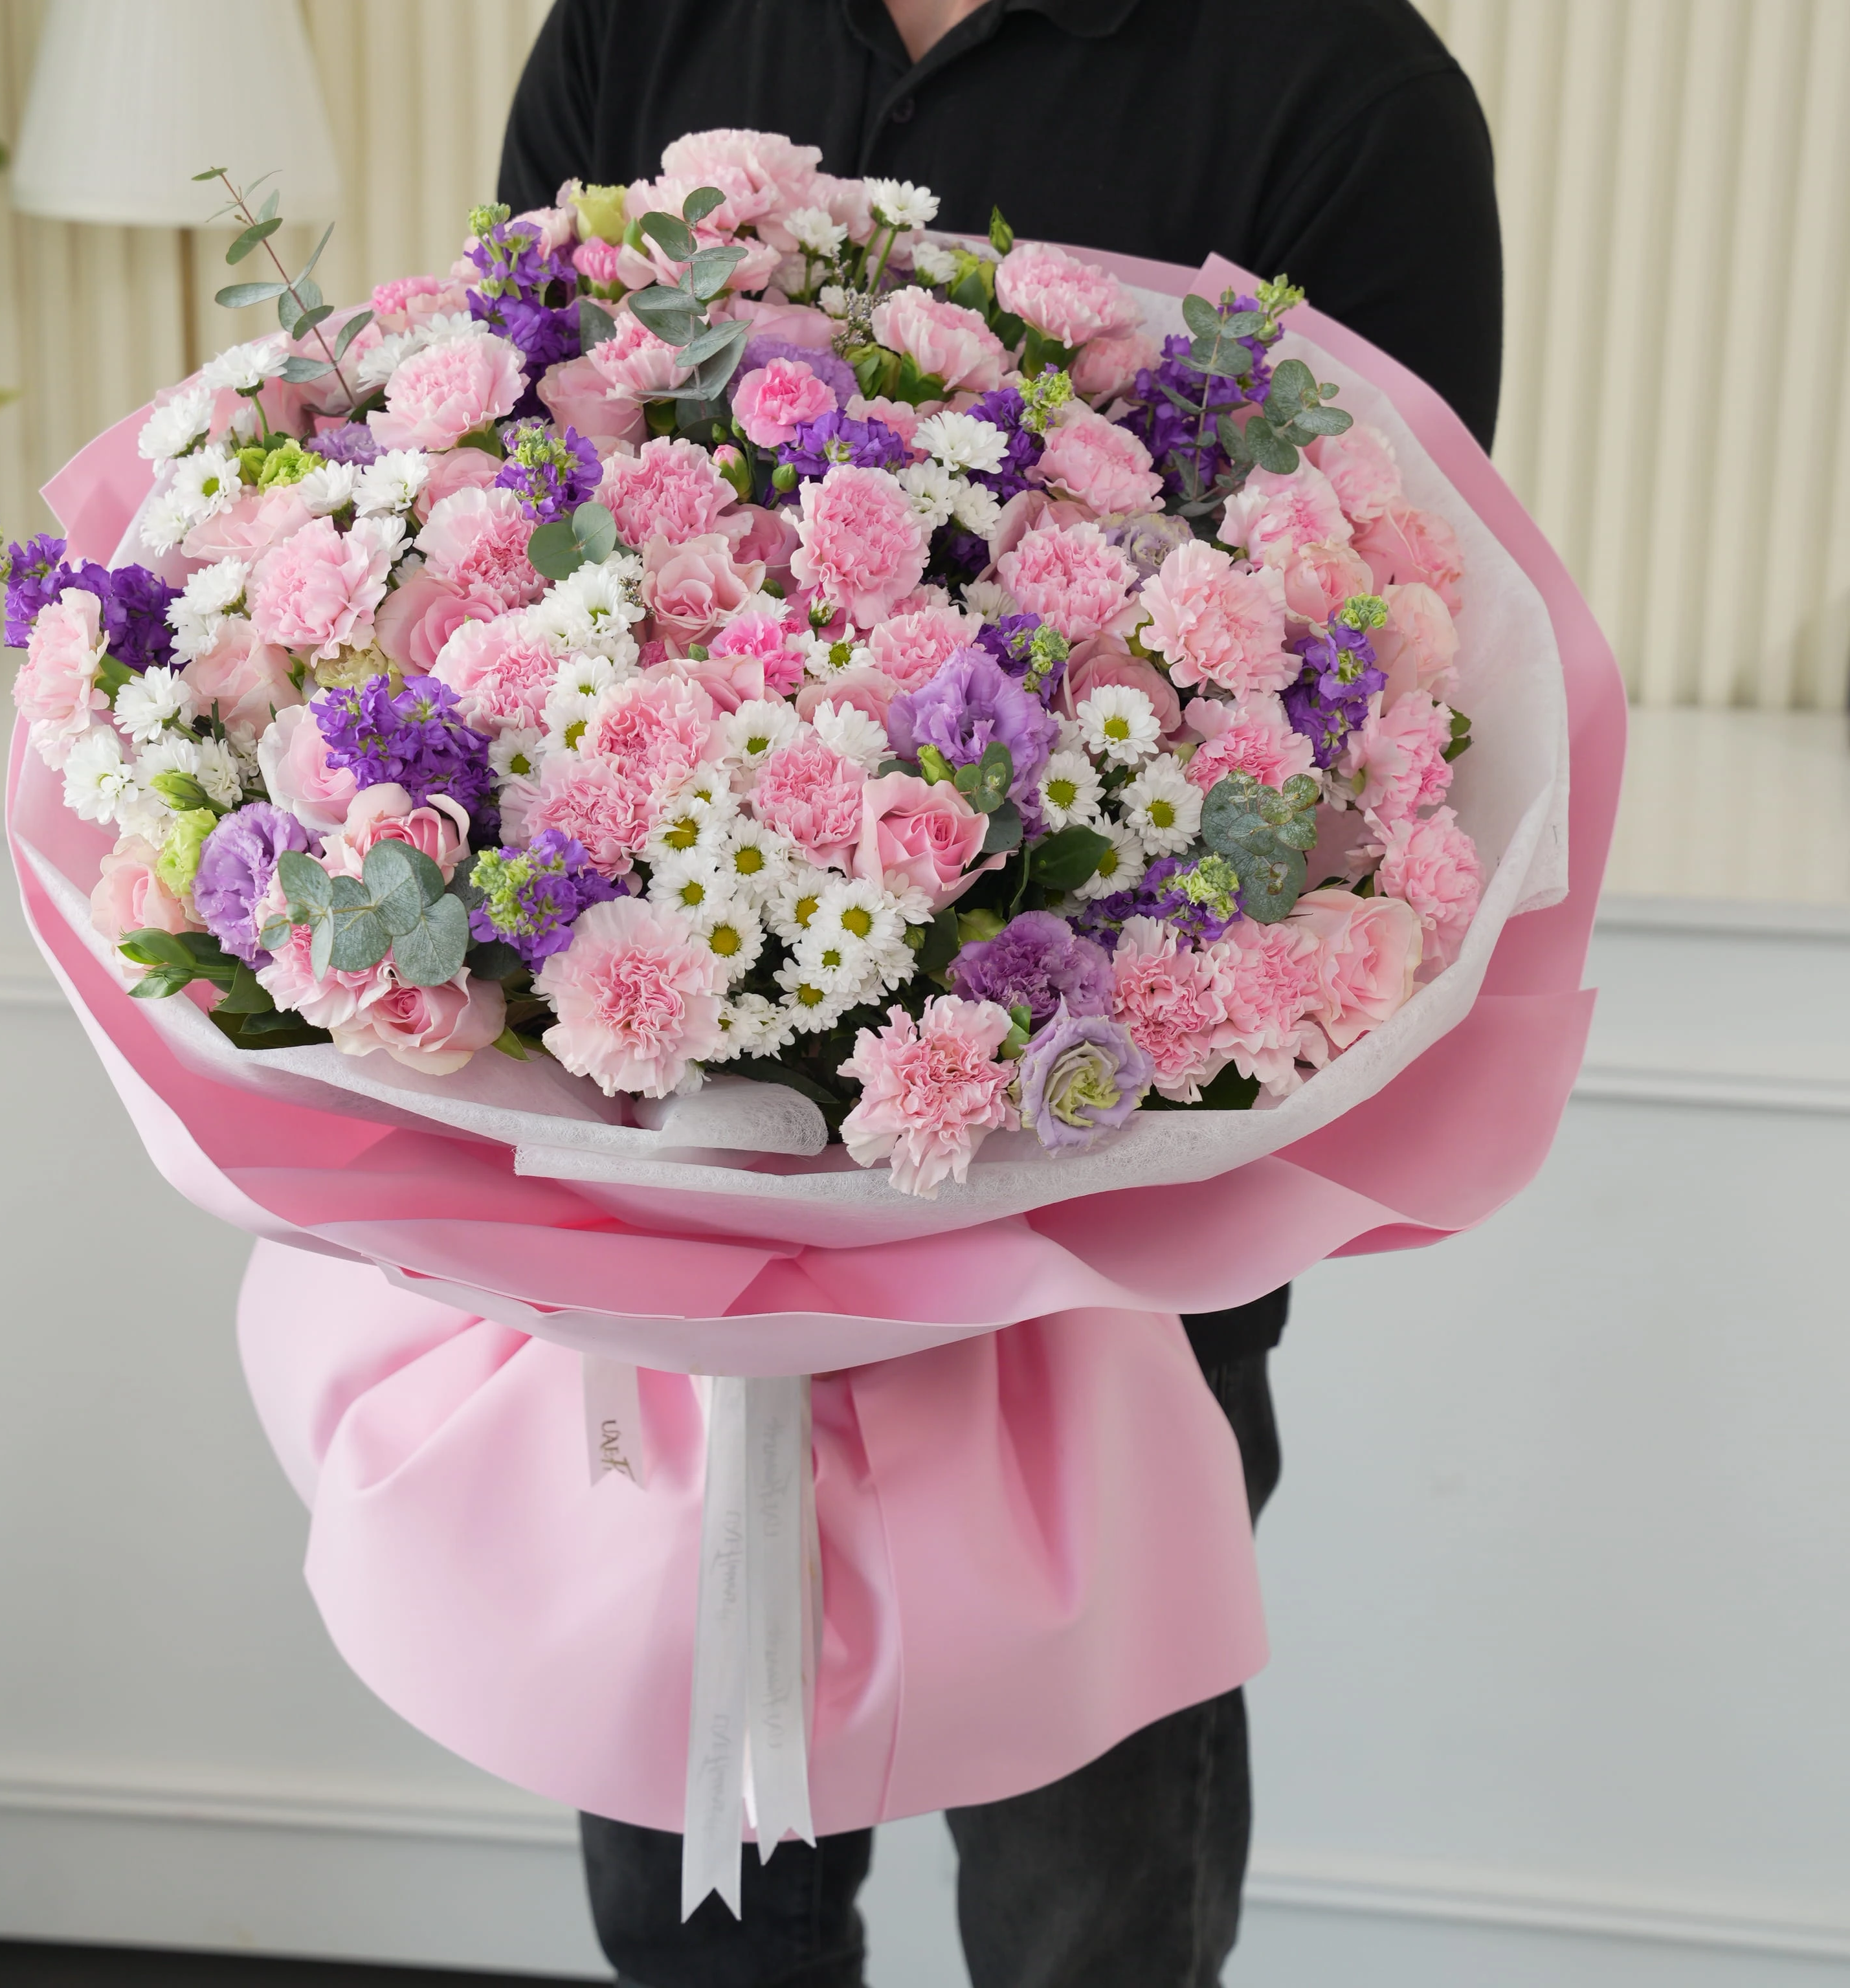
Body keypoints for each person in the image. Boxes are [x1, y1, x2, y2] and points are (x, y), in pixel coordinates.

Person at [496, 4, 1501, 1981]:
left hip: (1100, 1245)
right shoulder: (637, 22)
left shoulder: (1341, 89)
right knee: (690, 1909)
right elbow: (519, 509)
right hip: (681, 1197)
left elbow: (1386, 666)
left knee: (1084, 1912)